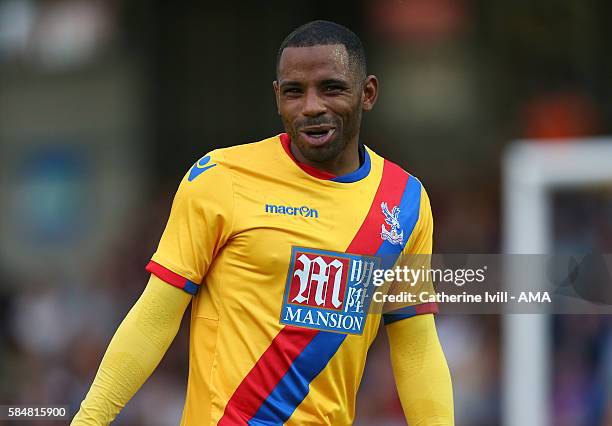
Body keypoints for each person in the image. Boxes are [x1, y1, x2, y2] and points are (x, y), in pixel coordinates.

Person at [72, 20, 454, 425]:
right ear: (277, 98)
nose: (311, 106)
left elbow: (416, 346)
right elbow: (154, 318)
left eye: (331, 88)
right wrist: (89, 421)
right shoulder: (221, 178)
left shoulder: (405, 203)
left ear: (368, 93)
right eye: (294, 91)